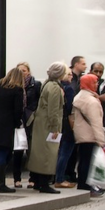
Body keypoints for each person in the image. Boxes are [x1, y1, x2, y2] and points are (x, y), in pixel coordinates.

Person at [28, 61, 67, 194]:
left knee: (39, 153)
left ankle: (37, 181)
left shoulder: (46, 84)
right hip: (48, 125)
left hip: (41, 122)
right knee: (48, 153)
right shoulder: (55, 88)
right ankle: (44, 183)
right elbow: (53, 109)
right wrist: (55, 128)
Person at [72, 73, 105, 197]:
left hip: (81, 133)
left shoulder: (79, 96)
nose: (97, 84)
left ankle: (85, 184)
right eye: (94, 82)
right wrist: (100, 139)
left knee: (83, 160)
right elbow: (96, 122)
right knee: (88, 161)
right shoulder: (91, 101)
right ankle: (85, 185)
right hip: (89, 134)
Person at [14, 62, 40, 189]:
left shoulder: (35, 85)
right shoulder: (14, 85)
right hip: (19, 122)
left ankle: (32, 179)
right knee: (18, 151)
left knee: (31, 151)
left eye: (24, 70)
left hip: (31, 120)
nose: (22, 73)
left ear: (28, 71)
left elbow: (39, 102)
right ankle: (16, 179)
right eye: (19, 71)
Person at [54, 68, 76, 189]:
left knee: (59, 151)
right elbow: (70, 108)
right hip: (67, 124)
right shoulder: (68, 88)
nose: (71, 76)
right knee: (65, 151)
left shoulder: (55, 86)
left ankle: (58, 176)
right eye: (68, 74)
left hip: (59, 122)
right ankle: (60, 178)